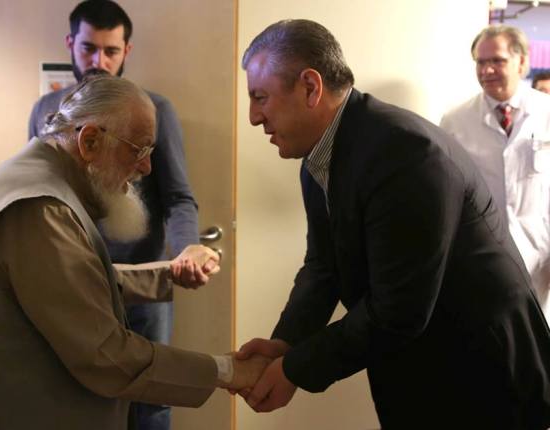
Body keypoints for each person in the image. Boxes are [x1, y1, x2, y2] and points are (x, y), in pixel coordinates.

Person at [0, 75, 270, 430]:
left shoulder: (42, 179)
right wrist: (228, 371)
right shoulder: (40, 207)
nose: (146, 167)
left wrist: (167, 274)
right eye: (139, 149)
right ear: (89, 141)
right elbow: (105, 355)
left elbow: (71, 283)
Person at [235, 19, 550, 429]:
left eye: (260, 97)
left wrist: (295, 368)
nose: (253, 116)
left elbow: (398, 310)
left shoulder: (406, 153)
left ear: (311, 87)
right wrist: (286, 342)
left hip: (480, 371)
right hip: (419, 362)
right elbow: (323, 267)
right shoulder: (320, 158)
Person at [28, 2, 199, 428]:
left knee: (153, 398)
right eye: (89, 48)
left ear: (127, 51)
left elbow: (178, 197)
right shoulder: (45, 111)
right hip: (74, 282)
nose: (99, 62)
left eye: (111, 51)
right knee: (77, 395)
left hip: (144, 281)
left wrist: (187, 250)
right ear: (70, 44)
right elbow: (38, 195)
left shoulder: (154, 110)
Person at [440, 25, 550, 320]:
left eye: (497, 61)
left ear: (522, 62)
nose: (487, 70)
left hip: (540, 256)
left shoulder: (546, 112)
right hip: (481, 258)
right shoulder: (455, 121)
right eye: (480, 62)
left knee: (539, 336)